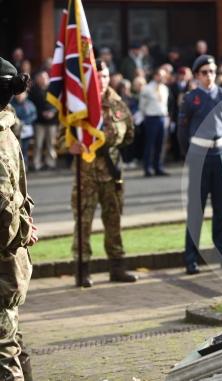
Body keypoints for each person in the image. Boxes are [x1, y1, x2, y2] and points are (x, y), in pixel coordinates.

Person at [59, 60, 138, 287]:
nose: (101, 81)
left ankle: (117, 267)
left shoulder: (118, 104)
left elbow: (130, 134)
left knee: (114, 222)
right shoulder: (78, 105)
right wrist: (69, 146)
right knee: (83, 224)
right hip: (86, 175)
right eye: (97, 76)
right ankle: (82, 270)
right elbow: (60, 141)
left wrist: (110, 146)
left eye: (104, 76)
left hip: (112, 174)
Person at [177, 55, 222, 275]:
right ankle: (191, 258)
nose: (209, 76)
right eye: (204, 72)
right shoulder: (190, 99)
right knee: (196, 209)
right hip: (199, 156)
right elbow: (182, 132)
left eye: (212, 71)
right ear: (197, 75)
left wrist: (221, 147)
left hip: (220, 153)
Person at [0, 56, 37, 380]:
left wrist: (17, 231)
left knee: (4, 350)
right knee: (10, 336)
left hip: (3, 257)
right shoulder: (7, 128)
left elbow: (4, 206)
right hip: (12, 252)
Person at [139, 68, 170, 177]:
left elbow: (165, 104)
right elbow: (142, 105)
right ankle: (147, 168)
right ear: (155, 76)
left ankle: (158, 167)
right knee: (150, 144)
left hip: (162, 117)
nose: (161, 77)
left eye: (163, 75)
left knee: (160, 144)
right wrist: (145, 115)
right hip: (151, 118)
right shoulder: (147, 88)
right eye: (159, 75)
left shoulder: (165, 88)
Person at [28, 70, 58, 171]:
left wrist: (53, 112)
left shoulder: (53, 89)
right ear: (37, 79)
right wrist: (41, 113)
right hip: (39, 121)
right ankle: (37, 163)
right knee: (38, 144)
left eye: (45, 78)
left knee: (51, 143)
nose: (44, 80)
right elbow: (32, 105)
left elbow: (58, 103)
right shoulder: (33, 90)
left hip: (52, 121)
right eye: (41, 78)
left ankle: (51, 163)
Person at [10, 90, 36, 170]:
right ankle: (15, 167)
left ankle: (25, 166)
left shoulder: (29, 104)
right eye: (19, 94)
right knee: (15, 149)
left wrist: (25, 122)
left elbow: (34, 115)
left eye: (22, 94)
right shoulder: (12, 104)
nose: (20, 96)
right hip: (15, 131)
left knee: (25, 148)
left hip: (26, 130)